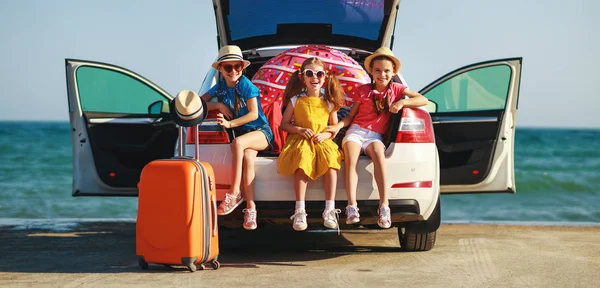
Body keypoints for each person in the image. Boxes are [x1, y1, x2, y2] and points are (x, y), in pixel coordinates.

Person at [325, 47, 428, 229]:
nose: (382, 74)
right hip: (356, 132)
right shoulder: (363, 90)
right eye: (378, 70)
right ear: (371, 72)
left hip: (375, 136)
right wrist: (337, 127)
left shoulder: (397, 89)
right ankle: (352, 206)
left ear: (394, 72)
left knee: (380, 156)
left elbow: (423, 100)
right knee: (351, 159)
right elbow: (350, 116)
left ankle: (384, 206)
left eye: (387, 71)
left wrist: (402, 101)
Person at [201, 45, 274, 230]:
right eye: (228, 67)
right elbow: (200, 103)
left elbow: (253, 114)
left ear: (242, 68)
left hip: (261, 133)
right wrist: (217, 106)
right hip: (245, 139)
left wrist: (230, 124)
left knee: (238, 142)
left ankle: (234, 193)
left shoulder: (247, 86)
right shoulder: (221, 87)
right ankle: (251, 209)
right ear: (220, 69)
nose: (233, 71)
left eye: (237, 67)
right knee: (248, 158)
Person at [278, 57, 346, 231]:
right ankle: (300, 210)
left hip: (322, 139)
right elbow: (284, 124)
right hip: (300, 138)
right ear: (302, 77)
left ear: (325, 78)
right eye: (309, 73)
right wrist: (299, 130)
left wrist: (325, 134)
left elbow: (333, 127)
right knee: (302, 159)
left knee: (331, 160)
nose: (314, 77)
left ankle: (329, 209)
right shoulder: (296, 100)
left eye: (319, 73)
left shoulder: (329, 101)